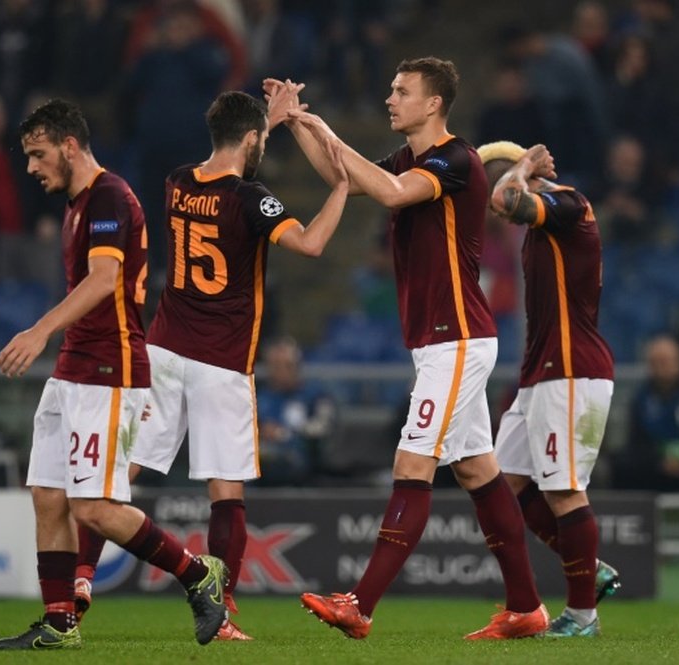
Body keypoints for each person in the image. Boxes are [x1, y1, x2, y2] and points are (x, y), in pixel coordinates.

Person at [276, 57, 548, 640]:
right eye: (391, 88)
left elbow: (394, 195)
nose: (390, 99)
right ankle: (526, 608)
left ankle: (360, 604)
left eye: (402, 91)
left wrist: (324, 127)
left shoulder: (455, 159)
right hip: (438, 341)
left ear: (433, 104)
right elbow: (344, 176)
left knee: (412, 462)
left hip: (457, 338)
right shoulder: (411, 159)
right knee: (477, 470)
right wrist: (297, 123)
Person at [74, 89, 349, 641]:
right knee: (226, 492)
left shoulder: (176, 182)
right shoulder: (253, 199)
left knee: (117, 477)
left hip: (165, 349)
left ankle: (78, 580)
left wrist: (262, 124)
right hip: (222, 361)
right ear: (252, 141)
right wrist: (342, 186)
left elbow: (231, 162)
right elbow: (312, 243)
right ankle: (219, 613)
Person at [0, 98, 227, 651]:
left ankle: (198, 574)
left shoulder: (110, 198)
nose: (31, 167)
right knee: (49, 497)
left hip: (109, 368)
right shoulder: (78, 205)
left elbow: (102, 281)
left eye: (38, 153)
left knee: (92, 507)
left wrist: (38, 331)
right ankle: (59, 622)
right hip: (73, 367)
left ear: (70, 146)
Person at [478, 140, 619, 637]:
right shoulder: (540, 227)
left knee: (563, 491)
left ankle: (583, 616)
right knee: (499, 489)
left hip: (574, 373)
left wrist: (522, 165)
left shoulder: (568, 204)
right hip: (540, 375)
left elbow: (505, 200)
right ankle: (591, 569)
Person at [617, 334, 679, 491]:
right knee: (622, 465)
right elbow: (636, 444)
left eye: (666, 361)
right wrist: (661, 461)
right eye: (655, 362)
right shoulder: (642, 398)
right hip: (660, 468)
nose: (661, 367)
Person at [255, 336, 338, 485]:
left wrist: (283, 434)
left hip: (303, 464)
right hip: (264, 464)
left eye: (288, 366)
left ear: (298, 366)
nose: (282, 372)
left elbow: (321, 428)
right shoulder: (258, 398)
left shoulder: (317, 396)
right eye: (276, 366)